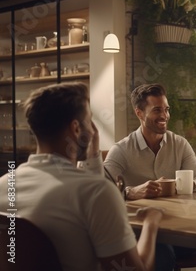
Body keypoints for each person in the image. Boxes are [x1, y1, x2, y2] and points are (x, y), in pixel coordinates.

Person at [0, 82, 165, 271]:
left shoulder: (5, 184)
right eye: (90, 120)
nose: (94, 130)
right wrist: (151, 221)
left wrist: (92, 153)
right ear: (76, 129)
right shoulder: (96, 193)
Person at [103, 83, 196, 271]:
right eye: (157, 110)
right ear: (139, 113)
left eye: (166, 109)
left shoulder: (179, 144)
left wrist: (180, 185)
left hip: (179, 225)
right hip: (142, 231)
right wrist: (132, 191)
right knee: (163, 254)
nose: (164, 116)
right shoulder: (121, 150)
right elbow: (102, 190)